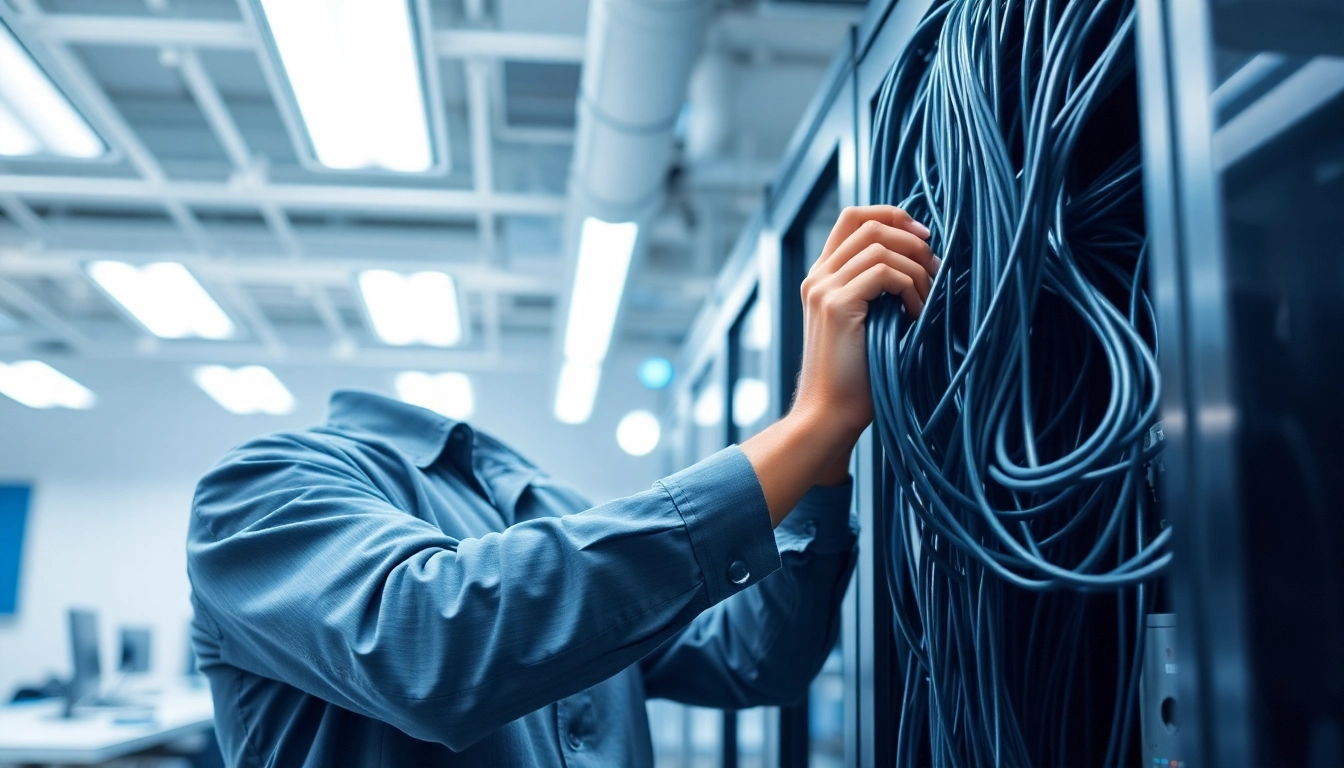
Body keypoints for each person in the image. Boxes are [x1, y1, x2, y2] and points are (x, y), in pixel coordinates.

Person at [187, 206, 936, 767]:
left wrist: (829, 446)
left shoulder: (550, 507)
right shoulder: (261, 490)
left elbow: (759, 660)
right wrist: (810, 423)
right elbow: (431, 649)